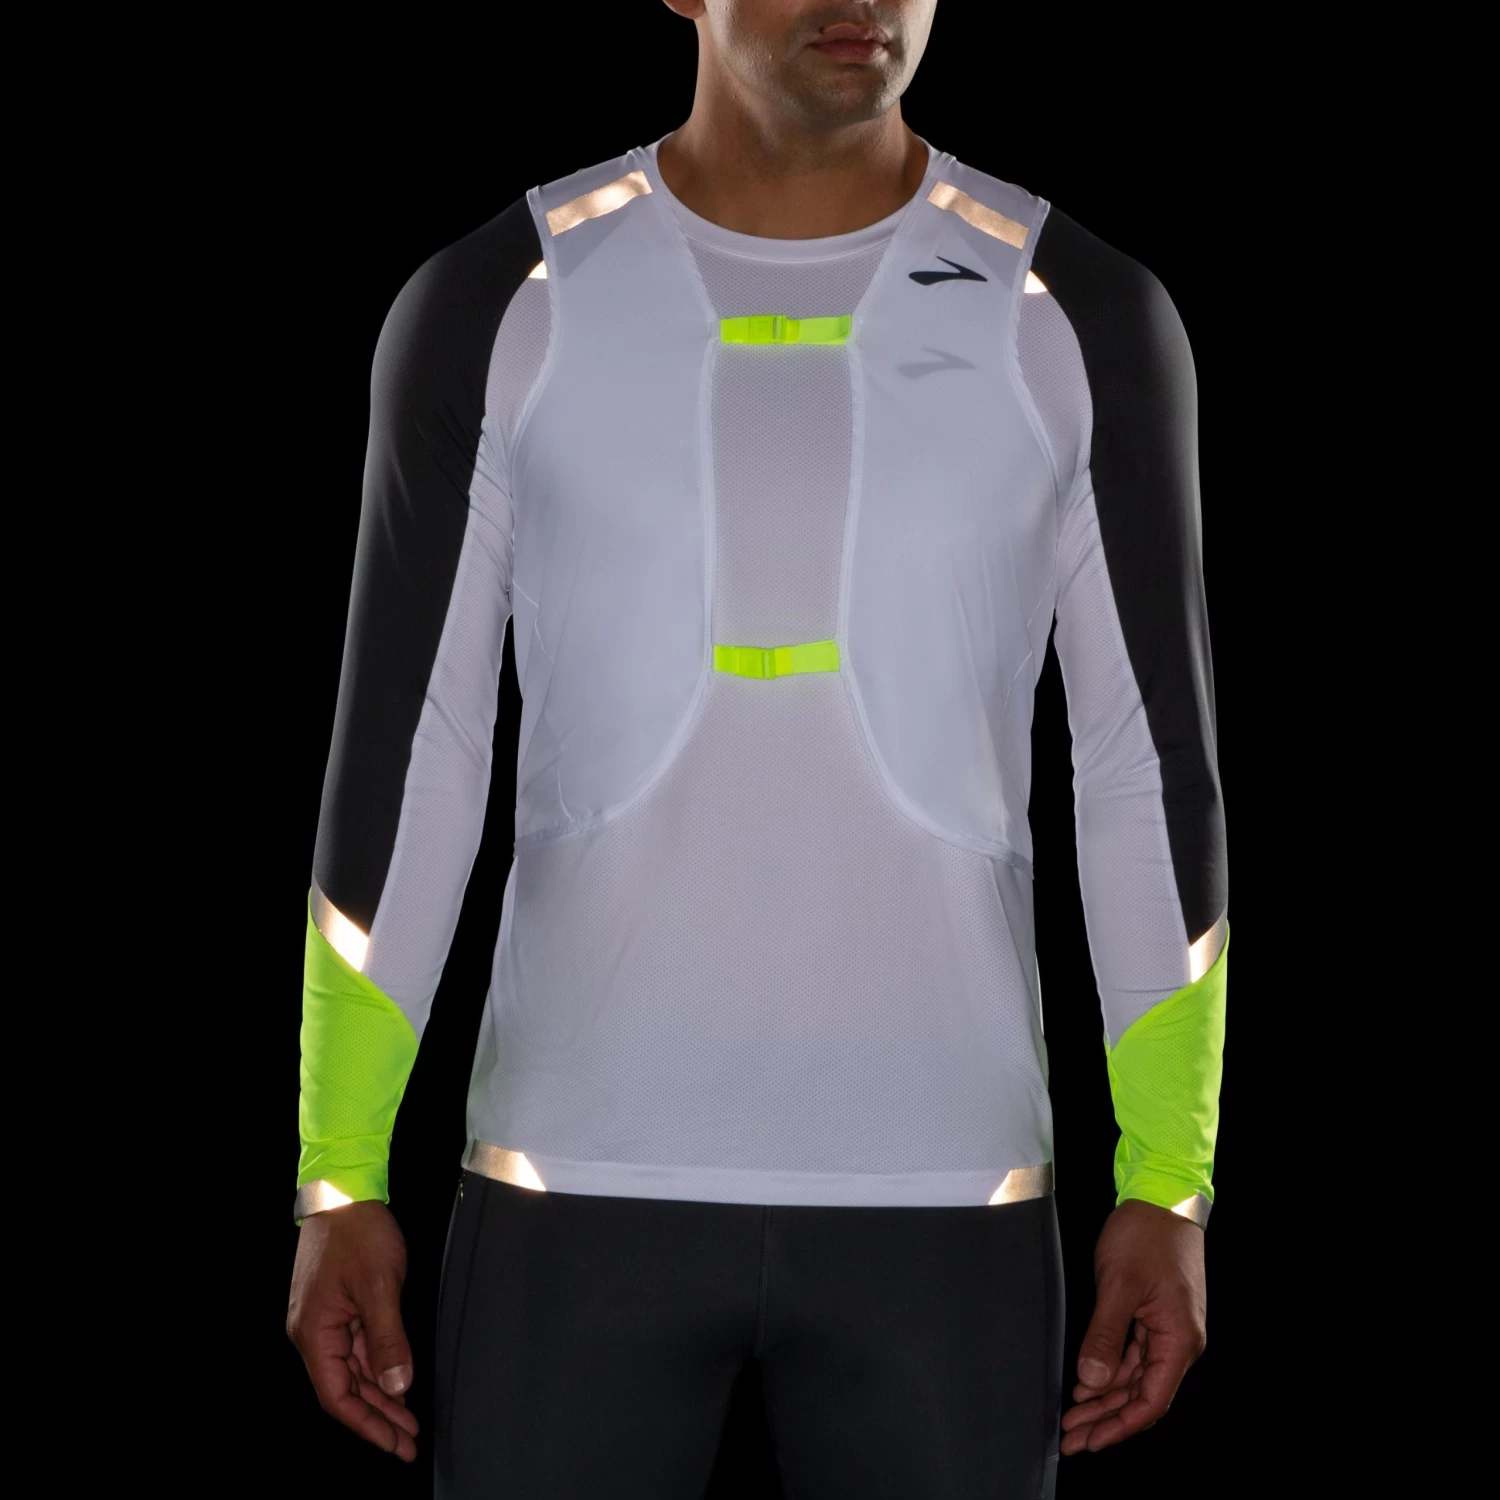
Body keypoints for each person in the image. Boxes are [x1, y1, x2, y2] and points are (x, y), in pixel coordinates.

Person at [285, 2, 1230, 1495]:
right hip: (569, 1185)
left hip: (951, 1195)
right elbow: (419, 750)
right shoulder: (505, 295)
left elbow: (1140, 768)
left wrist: (1169, 1185)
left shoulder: (1074, 309)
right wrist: (338, 1172)